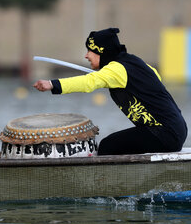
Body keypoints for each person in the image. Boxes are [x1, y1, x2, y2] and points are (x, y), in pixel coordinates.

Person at [33, 28, 187, 155]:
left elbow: (88, 82)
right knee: (118, 144)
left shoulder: (116, 69)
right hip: (177, 128)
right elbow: (156, 77)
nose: (86, 55)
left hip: (164, 133)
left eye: (90, 50)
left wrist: (52, 84)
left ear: (102, 51)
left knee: (107, 146)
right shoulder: (135, 62)